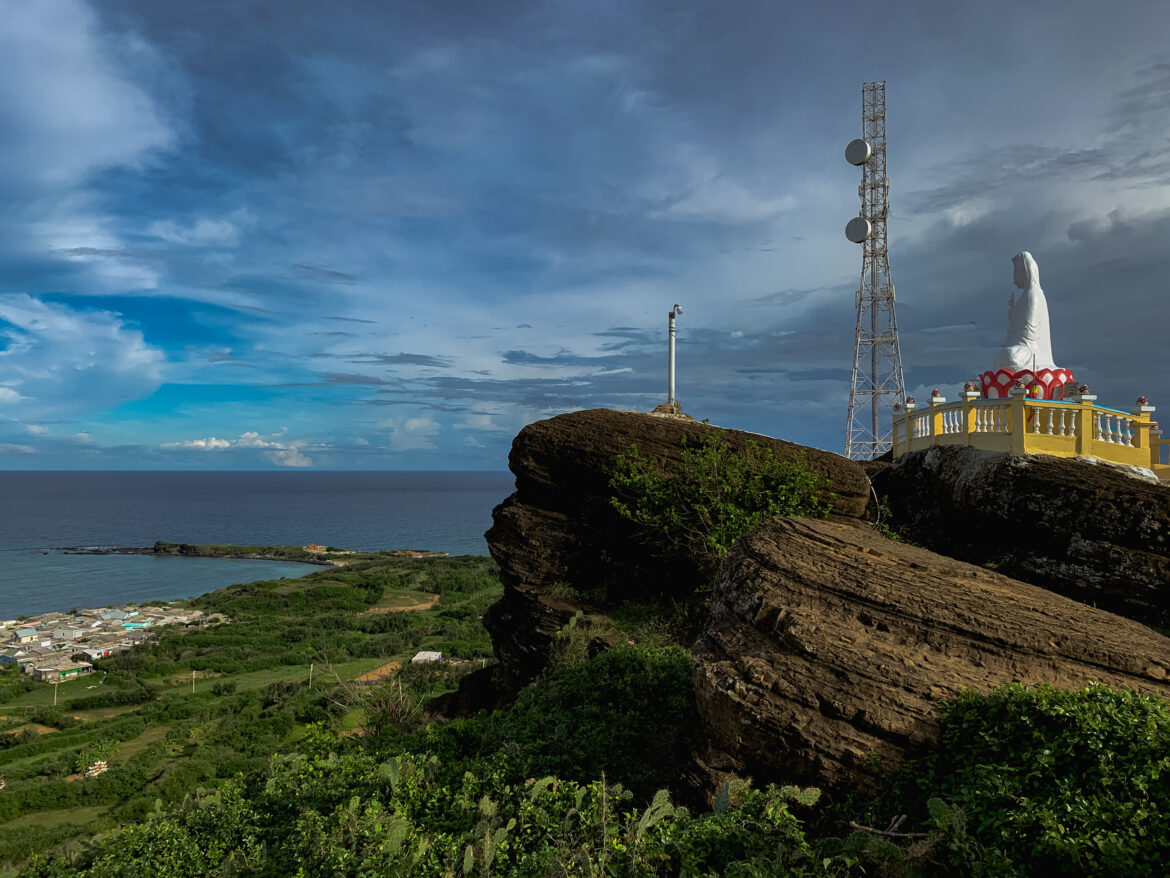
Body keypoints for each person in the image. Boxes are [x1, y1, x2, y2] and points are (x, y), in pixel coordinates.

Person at [993, 251, 1056, 372]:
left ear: (1025, 271)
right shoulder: (1024, 297)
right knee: (1004, 354)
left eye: (1016, 273)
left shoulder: (1034, 295)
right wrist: (1012, 313)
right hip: (1020, 346)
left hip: (1031, 349)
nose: (1014, 279)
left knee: (1010, 354)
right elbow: (1014, 332)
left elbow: (1029, 335)